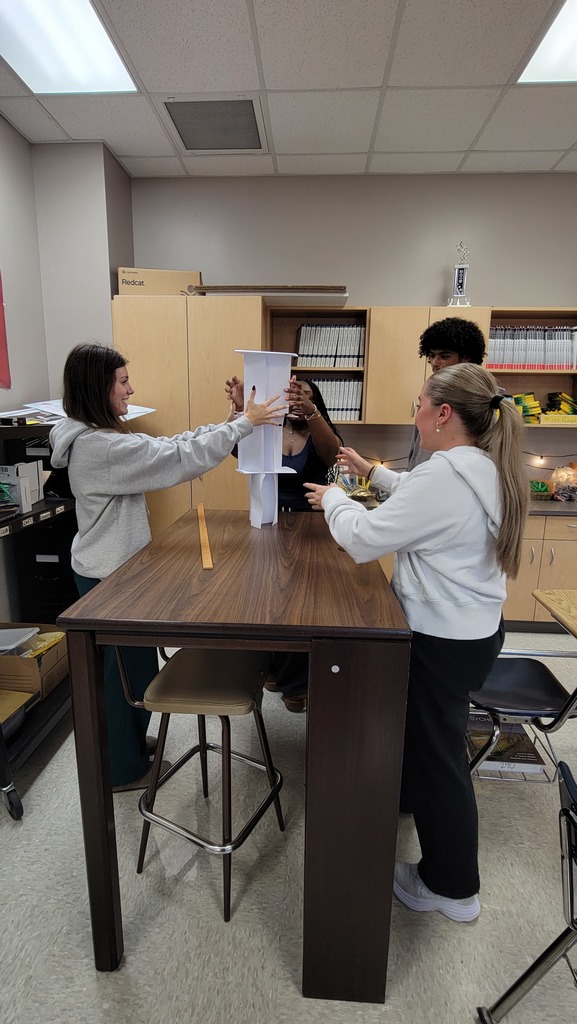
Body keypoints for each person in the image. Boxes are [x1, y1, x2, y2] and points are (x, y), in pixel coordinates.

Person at [304, 363, 528, 923]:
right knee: (436, 745)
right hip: (474, 632)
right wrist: (371, 473)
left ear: (443, 413)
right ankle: (412, 815)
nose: (417, 413)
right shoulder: (483, 466)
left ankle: (452, 888)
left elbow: (363, 538)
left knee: (439, 760)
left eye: (420, 403)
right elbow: (417, 498)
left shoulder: (447, 474)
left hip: (441, 639)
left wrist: (335, 498)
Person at [50, 342, 285, 791]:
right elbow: (174, 460)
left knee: (133, 669)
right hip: (108, 575)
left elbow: (166, 445)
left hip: (108, 568)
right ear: (97, 386)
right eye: (122, 381)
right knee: (127, 673)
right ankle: (121, 768)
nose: (130, 389)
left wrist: (234, 423)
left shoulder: (98, 435)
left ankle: (130, 744)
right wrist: (242, 428)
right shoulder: (98, 447)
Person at [225, 374, 342, 711]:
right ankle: (273, 669)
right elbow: (237, 451)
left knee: (304, 605)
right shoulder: (269, 430)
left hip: (311, 527)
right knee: (267, 600)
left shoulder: (318, 429)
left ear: (314, 401)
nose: (295, 399)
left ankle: (297, 684)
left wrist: (311, 414)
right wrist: (237, 409)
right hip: (269, 523)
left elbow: (332, 455)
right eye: (291, 393)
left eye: (303, 395)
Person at [408, 317, 486, 469]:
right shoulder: (432, 392)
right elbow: (419, 454)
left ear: (466, 358)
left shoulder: (479, 400)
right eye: (431, 355)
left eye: (444, 356)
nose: (436, 362)